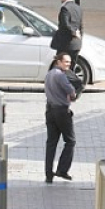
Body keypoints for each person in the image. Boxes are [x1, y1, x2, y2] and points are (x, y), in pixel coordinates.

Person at [44, 52, 78, 184]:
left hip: (50, 111)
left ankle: (48, 174)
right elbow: (72, 92)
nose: (68, 64)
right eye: (66, 62)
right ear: (58, 62)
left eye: (69, 62)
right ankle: (62, 169)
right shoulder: (61, 76)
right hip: (62, 112)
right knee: (70, 141)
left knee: (51, 143)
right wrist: (72, 95)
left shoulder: (49, 74)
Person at [51, 0, 83, 65]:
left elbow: (65, 24)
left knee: (60, 69)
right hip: (76, 45)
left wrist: (74, 32)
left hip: (65, 45)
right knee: (70, 70)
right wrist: (80, 38)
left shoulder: (65, 8)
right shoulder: (78, 8)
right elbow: (81, 26)